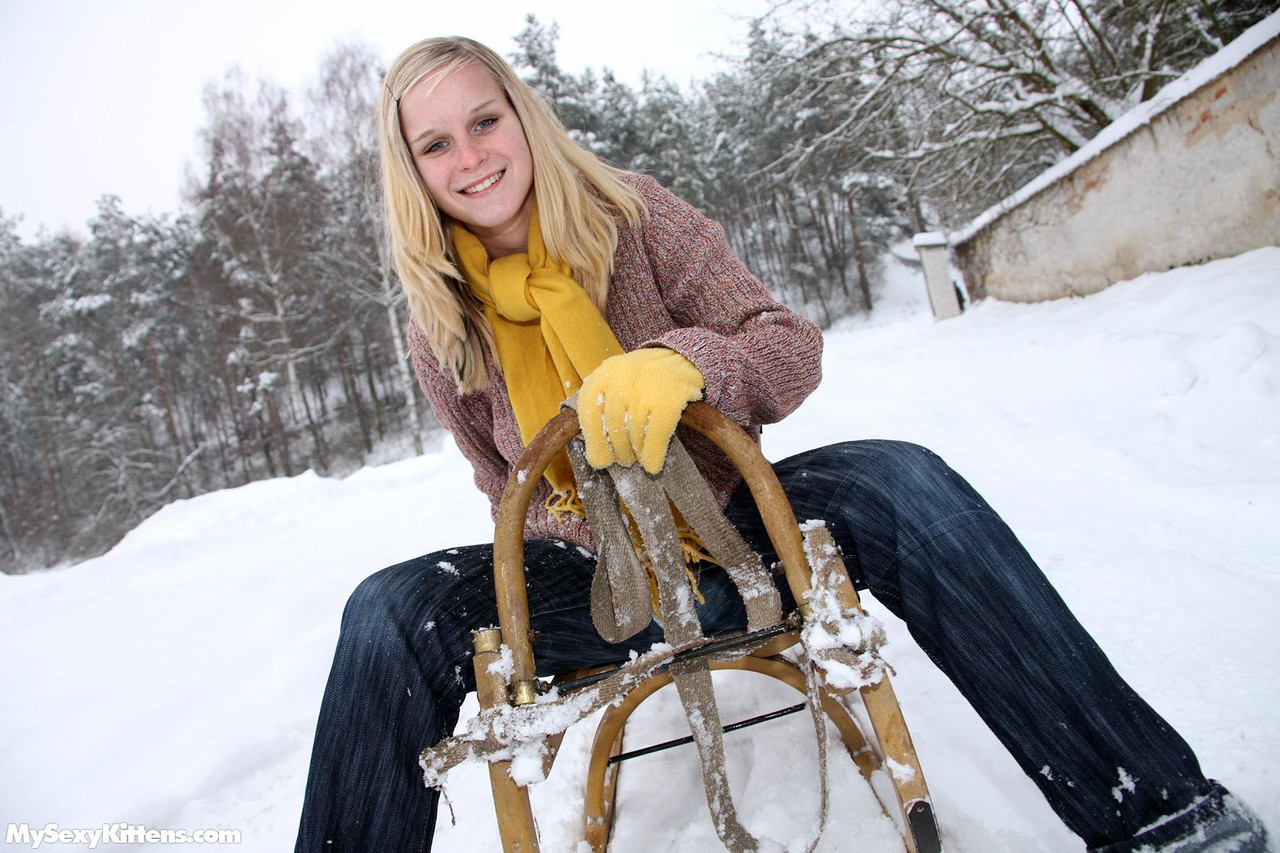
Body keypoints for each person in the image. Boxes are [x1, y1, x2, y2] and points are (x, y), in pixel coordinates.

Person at [294, 36, 1271, 853]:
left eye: (483, 121)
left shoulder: (628, 213)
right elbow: (497, 483)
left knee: (898, 479)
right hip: (596, 592)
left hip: (737, 531)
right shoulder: (440, 330)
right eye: (434, 144)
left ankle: (1161, 814)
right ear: (410, 171)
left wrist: (683, 364)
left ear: (521, 117)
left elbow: (786, 345)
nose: (469, 157)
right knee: (389, 609)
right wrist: (566, 501)